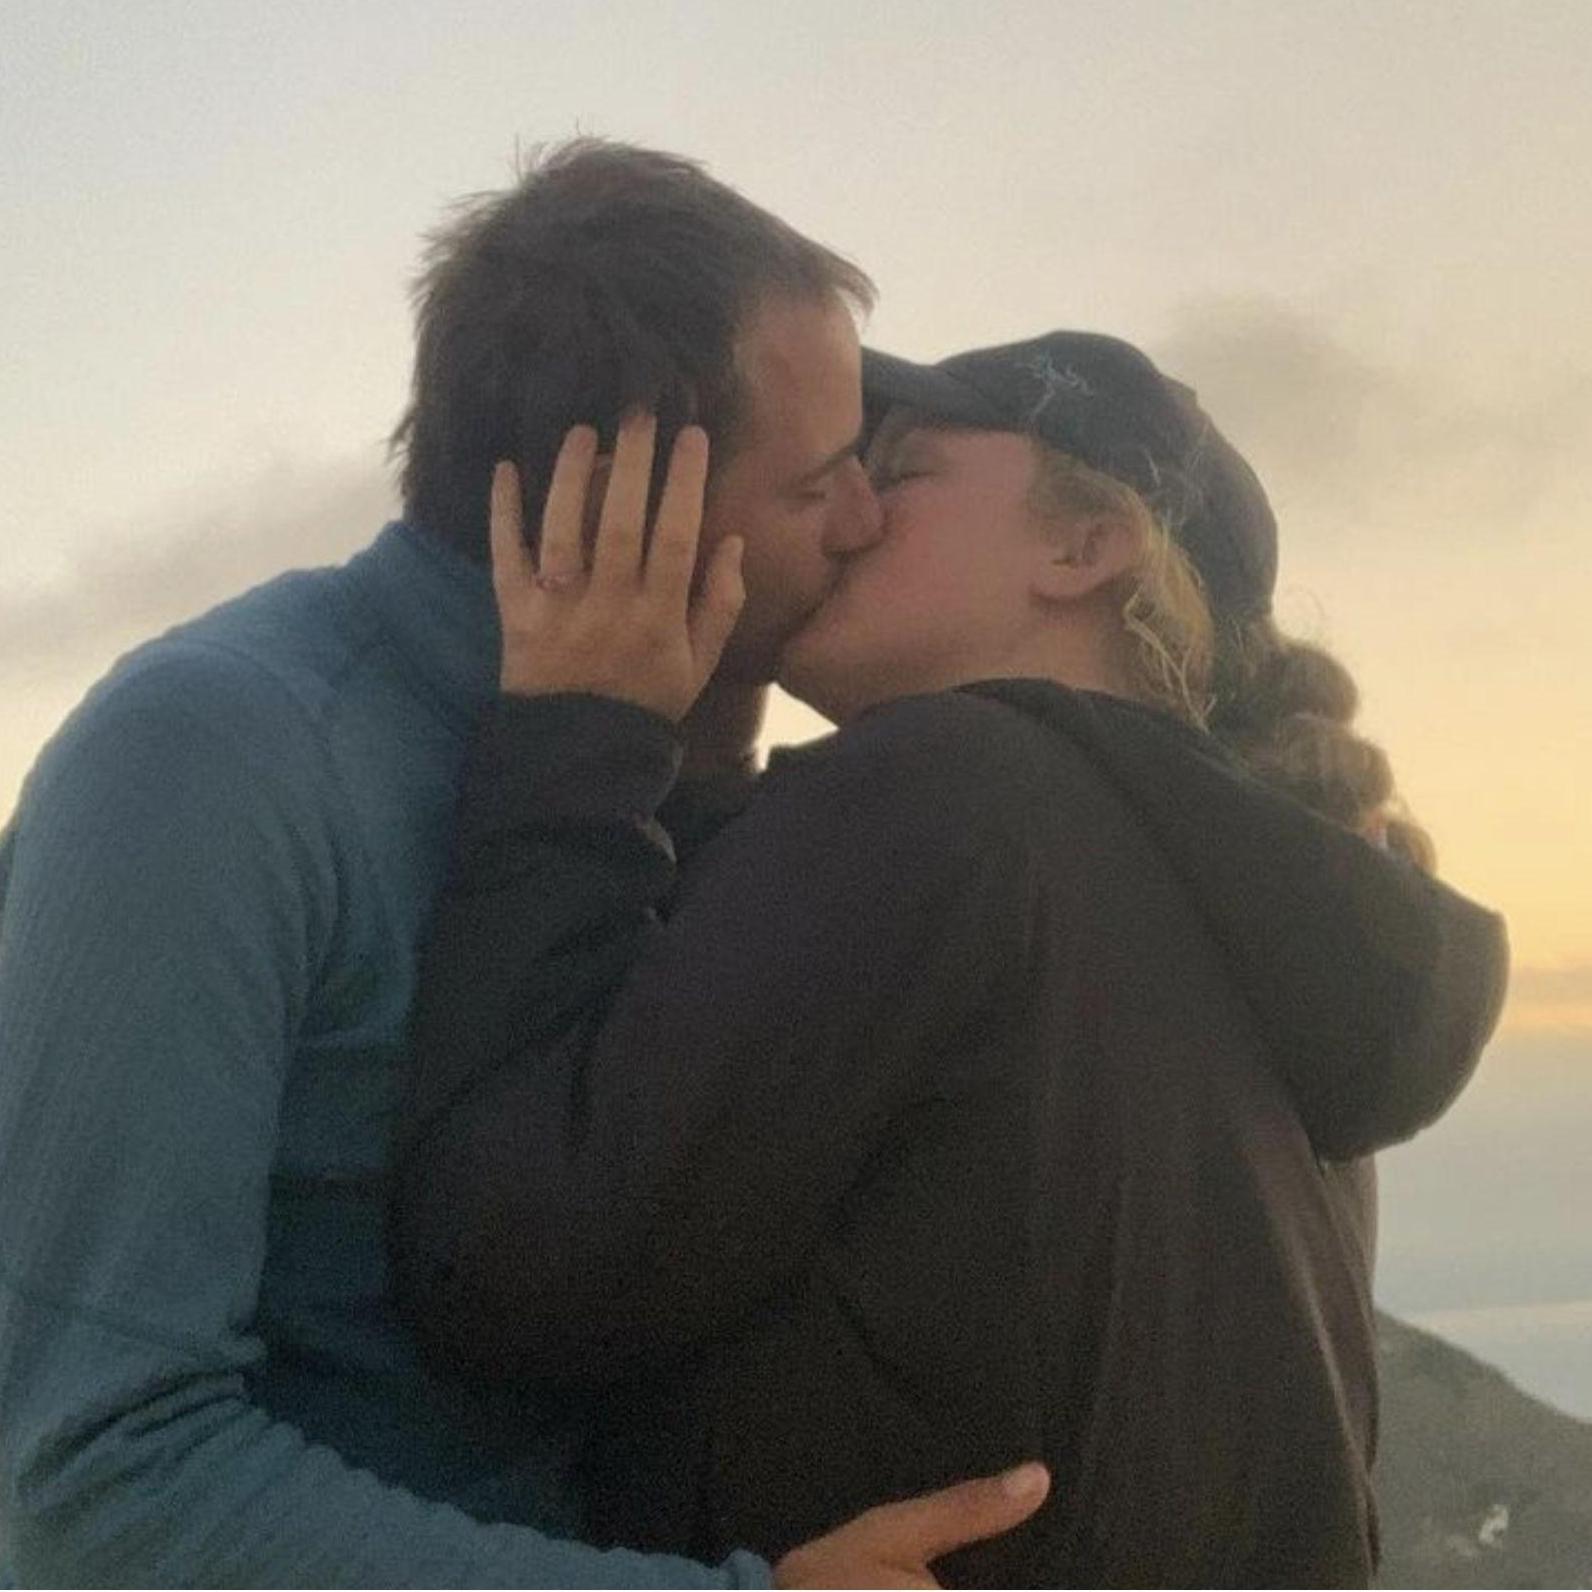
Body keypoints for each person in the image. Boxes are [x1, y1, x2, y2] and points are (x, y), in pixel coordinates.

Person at [0, 140, 1051, 1587]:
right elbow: (88, 1482)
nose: (866, 526)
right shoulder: (214, 758)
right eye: (819, 486)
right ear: (615, 489)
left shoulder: (646, 753)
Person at [389, 333, 1509, 1585]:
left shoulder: (946, 791)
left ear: (1080, 550)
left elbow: (505, 1262)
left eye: (903, 471)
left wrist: (571, 742)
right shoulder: (1260, 928)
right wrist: (701, 772)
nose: (846, 514)